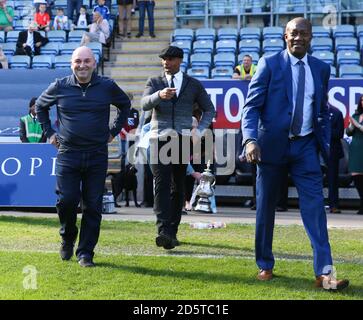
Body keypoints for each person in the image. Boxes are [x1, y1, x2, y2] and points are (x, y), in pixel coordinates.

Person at [241, 17, 349, 290]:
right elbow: (251, 107)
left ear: (311, 37)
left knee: (315, 209)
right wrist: (250, 140)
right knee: (265, 208)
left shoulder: (321, 69)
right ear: (284, 37)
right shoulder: (269, 63)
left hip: (305, 147)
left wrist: (320, 140)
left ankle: (324, 273)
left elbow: (321, 109)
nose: (298, 37)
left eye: (303, 33)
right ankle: (265, 264)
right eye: (293, 33)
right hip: (270, 147)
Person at [35, 46, 131, 267]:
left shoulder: (106, 86)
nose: (82, 65)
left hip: (97, 154)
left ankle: (85, 253)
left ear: (94, 63)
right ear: (71, 63)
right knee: (66, 200)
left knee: (93, 206)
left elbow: (125, 105)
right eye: (78, 61)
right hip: (68, 154)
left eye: (87, 61)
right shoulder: (60, 85)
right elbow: (40, 106)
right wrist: (49, 133)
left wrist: (113, 131)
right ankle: (67, 237)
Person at [141, 45, 215, 250]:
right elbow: (144, 104)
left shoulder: (193, 84)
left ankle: (173, 231)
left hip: (182, 140)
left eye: (171, 59)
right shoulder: (154, 82)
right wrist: (159, 96)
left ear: (180, 60)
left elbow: (209, 110)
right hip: (158, 139)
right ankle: (163, 230)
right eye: (164, 59)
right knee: (161, 184)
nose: (166, 62)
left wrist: (198, 130)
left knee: (178, 187)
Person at [346, 94, 363, 215]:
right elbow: (349, 132)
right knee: (356, 176)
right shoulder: (355, 116)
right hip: (356, 148)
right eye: (362, 100)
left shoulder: (356, 119)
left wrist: (357, 125)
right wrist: (351, 125)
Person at [327, 105, 344, 214]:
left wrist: (324, 130)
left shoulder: (337, 112)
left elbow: (339, 133)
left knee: (332, 180)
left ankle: (333, 205)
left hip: (332, 152)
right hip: (314, 151)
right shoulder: (312, 111)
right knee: (311, 178)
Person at [119, 92, 139, 170]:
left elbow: (136, 124)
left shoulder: (135, 112)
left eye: (130, 101)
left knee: (131, 155)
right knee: (124, 155)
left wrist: (133, 134)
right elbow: (119, 125)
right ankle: (123, 171)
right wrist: (126, 133)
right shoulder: (121, 111)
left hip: (132, 137)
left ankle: (130, 171)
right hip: (124, 137)